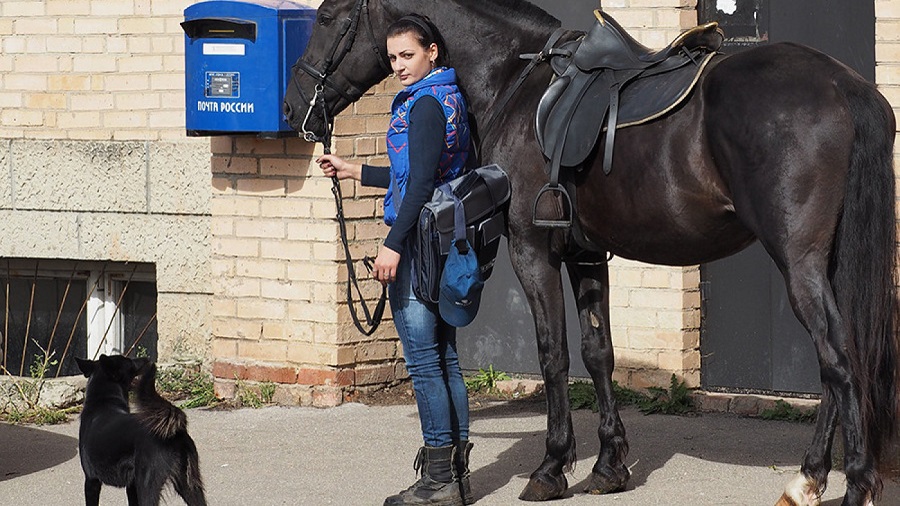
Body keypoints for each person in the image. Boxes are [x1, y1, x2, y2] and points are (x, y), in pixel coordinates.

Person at [316, 14, 473, 506]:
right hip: (441, 242)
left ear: (433, 52)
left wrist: (392, 245)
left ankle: (439, 481)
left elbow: (421, 185)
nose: (399, 66)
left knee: (425, 362)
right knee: (445, 358)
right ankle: (456, 476)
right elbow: (414, 173)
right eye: (392, 59)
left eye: (408, 55)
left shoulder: (424, 105)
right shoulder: (447, 96)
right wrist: (354, 169)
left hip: (420, 246)